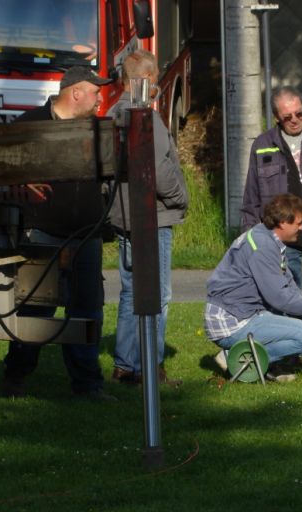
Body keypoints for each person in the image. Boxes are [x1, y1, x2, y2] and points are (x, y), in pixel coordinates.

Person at [2, 65, 114, 400]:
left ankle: (87, 385)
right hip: (43, 234)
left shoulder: (98, 131)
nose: (99, 98)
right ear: (76, 92)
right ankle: (15, 376)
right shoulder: (30, 124)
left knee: (87, 310)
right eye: (95, 91)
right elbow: (4, 167)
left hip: (87, 235)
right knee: (36, 309)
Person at [107, 49, 189, 386]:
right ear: (144, 79)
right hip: (151, 216)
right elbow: (159, 170)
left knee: (131, 291)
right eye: (154, 80)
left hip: (125, 216)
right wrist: (181, 198)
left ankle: (125, 364)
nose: (157, 88)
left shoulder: (114, 113)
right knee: (157, 293)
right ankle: (149, 368)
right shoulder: (144, 117)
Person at [206, 193, 302, 382]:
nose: (301, 228)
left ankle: (267, 365)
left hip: (241, 313)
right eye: (298, 223)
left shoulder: (265, 238)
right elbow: (279, 297)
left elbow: (288, 286)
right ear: (283, 222)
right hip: (233, 322)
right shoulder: (263, 246)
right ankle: (236, 357)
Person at [240, 86, 302, 296]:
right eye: (287, 117)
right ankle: (296, 330)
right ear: (276, 117)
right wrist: (250, 239)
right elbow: (252, 197)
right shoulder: (262, 144)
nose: (295, 120)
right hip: (282, 240)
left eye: (299, 113)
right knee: (289, 299)